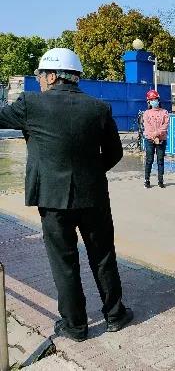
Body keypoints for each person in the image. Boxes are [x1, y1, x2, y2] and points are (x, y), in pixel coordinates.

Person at [0, 48, 133, 341]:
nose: (39, 81)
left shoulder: (30, 104)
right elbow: (114, 153)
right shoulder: (99, 108)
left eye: (40, 76)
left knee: (64, 262)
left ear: (51, 76)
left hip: (52, 199)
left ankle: (75, 326)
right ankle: (115, 315)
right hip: (94, 197)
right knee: (103, 256)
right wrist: (90, 174)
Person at [143, 89, 169, 188]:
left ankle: (160, 180)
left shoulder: (164, 112)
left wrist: (157, 134)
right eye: (151, 100)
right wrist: (153, 136)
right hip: (149, 140)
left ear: (158, 100)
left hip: (161, 139)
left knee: (160, 160)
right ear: (148, 102)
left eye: (155, 99)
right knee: (149, 160)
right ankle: (147, 180)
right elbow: (147, 126)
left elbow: (165, 125)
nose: (154, 101)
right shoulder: (146, 113)